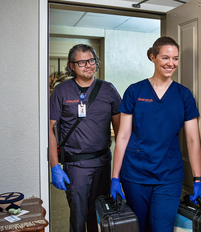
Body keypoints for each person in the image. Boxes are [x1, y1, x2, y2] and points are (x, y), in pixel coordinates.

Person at [110, 36, 201, 232]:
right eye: (165, 58)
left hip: (168, 176)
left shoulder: (184, 95)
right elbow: (123, 137)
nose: (171, 63)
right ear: (153, 57)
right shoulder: (134, 91)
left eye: (175, 58)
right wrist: (115, 177)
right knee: (139, 227)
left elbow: (193, 140)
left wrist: (197, 179)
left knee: (162, 228)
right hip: (135, 174)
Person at [49, 44, 121, 232]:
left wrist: (119, 172)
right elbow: (50, 129)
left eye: (91, 60)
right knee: (79, 216)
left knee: (100, 215)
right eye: (82, 62)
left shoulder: (108, 89)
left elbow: (121, 132)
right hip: (76, 166)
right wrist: (54, 165)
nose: (88, 65)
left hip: (104, 162)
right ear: (72, 66)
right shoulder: (61, 91)